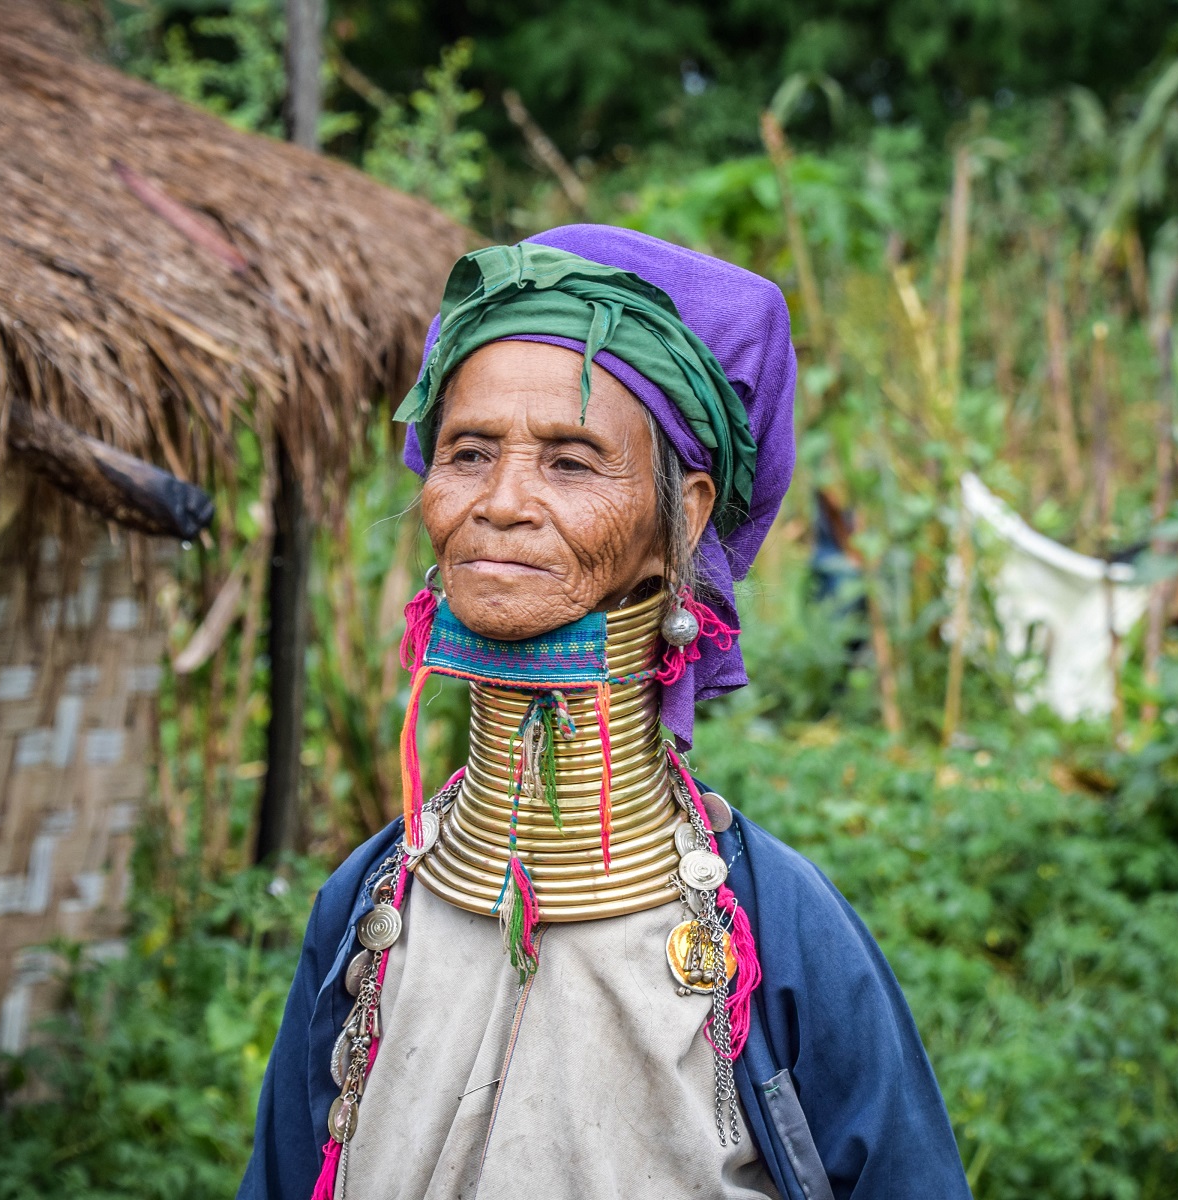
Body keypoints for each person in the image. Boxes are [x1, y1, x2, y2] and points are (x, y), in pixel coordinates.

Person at [239, 226, 972, 1200]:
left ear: (685, 523)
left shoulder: (779, 934)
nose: (500, 501)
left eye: (572, 461)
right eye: (467, 451)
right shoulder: (366, 910)